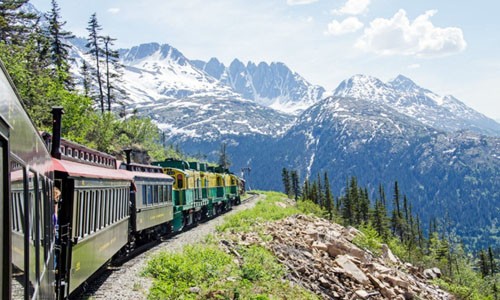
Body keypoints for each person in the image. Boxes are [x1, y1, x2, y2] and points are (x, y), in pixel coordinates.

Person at [53, 187, 61, 270]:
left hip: (55, 231)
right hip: (53, 233)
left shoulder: (54, 206)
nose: (58, 199)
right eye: (57, 197)